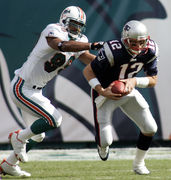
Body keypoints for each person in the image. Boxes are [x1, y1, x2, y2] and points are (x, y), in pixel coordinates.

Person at [0, 6, 103, 177]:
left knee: (38, 135)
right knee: (54, 119)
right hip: (22, 87)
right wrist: (92, 45)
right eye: (73, 25)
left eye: (79, 26)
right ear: (64, 21)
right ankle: (18, 138)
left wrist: (111, 61)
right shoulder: (53, 30)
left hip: (35, 92)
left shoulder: (79, 40)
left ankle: (9, 165)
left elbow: (89, 60)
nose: (76, 29)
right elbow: (62, 46)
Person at [83, 20, 158, 175]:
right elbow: (88, 71)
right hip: (106, 92)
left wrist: (134, 80)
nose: (138, 47)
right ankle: (102, 146)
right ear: (125, 40)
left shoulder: (151, 50)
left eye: (142, 42)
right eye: (133, 43)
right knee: (106, 141)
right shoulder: (112, 50)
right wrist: (102, 90)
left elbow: (153, 80)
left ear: (147, 39)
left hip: (127, 90)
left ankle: (138, 164)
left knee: (150, 128)